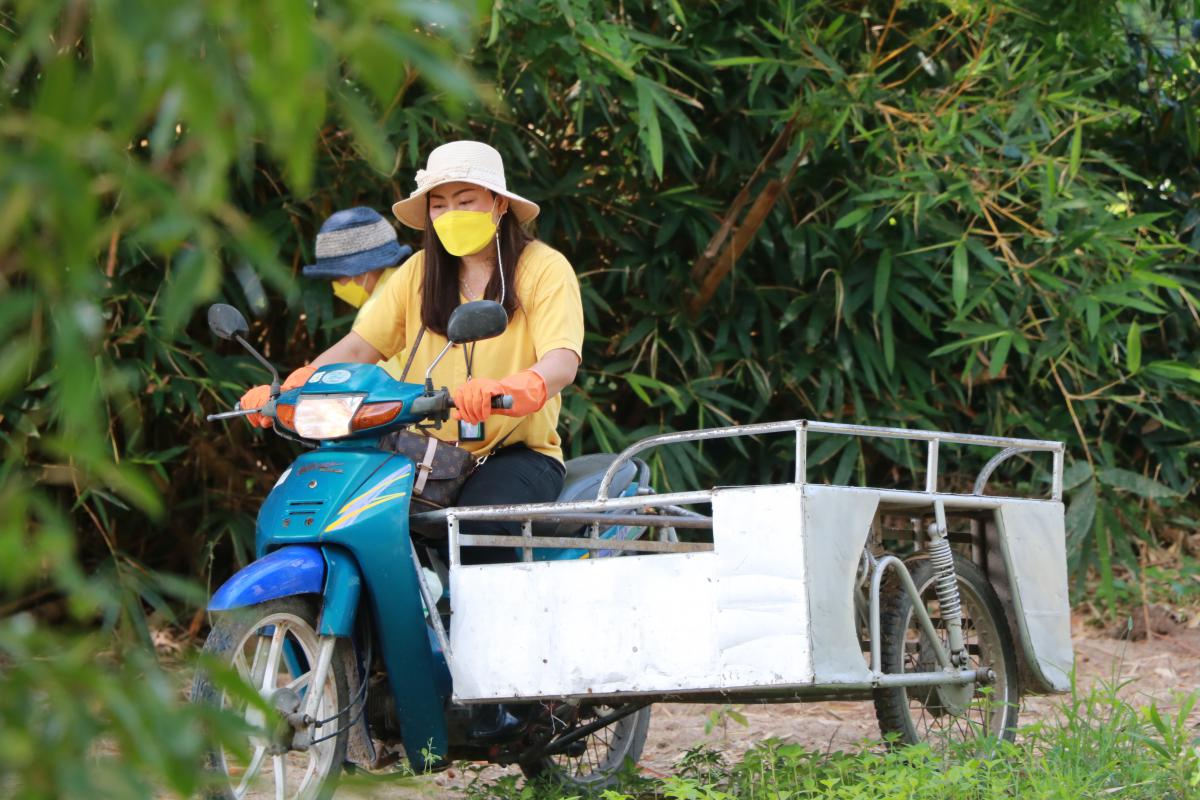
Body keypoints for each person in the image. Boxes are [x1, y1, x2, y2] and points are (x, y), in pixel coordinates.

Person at [239, 139, 584, 544]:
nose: (451, 214)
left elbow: (562, 361)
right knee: (350, 522)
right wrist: (295, 386)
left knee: (477, 533)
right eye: (439, 205)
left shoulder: (544, 268)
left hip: (515, 452)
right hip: (426, 453)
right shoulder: (419, 271)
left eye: (465, 201)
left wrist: (513, 388)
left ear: (499, 203)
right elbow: (359, 347)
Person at [301, 206, 414, 379]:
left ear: (360, 273)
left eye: (336, 277)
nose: (335, 286)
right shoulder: (412, 280)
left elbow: (381, 384)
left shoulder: (375, 311)